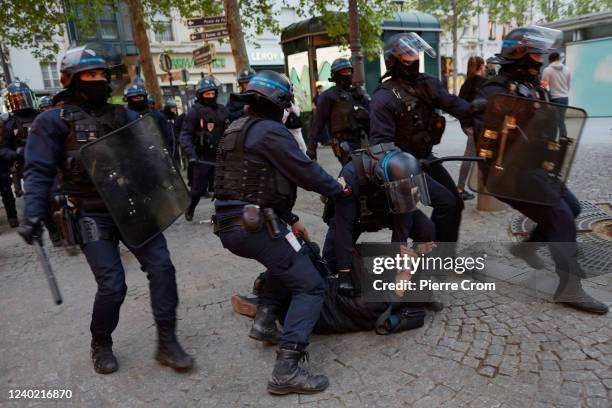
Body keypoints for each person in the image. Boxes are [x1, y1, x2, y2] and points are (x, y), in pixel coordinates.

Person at [17, 43, 195, 374]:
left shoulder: (124, 115)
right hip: (90, 212)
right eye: (89, 75)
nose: (97, 80)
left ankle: (168, 342)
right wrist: (32, 213)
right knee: (113, 284)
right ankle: (100, 342)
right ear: (71, 79)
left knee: (163, 268)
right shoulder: (52, 121)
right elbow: (38, 171)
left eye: (100, 74)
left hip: (133, 207)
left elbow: (149, 156)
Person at [213, 70, 350, 395]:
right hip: (254, 226)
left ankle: (265, 320)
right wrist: (338, 189)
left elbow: (258, 183)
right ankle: (286, 369)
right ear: (279, 103)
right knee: (311, 285)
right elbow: (304, 170)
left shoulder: (235, 128)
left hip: (235, 223)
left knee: (295, 255)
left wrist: (291, 218)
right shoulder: (271, 132)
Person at [476, 26, 608, 314]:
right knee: (560, 216)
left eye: (541, 53)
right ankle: (569, 288)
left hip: (533, 167)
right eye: (535, 53)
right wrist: (491, 113)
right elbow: (483, 129)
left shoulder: (533, 84)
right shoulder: (495, 89)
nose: (540, 59)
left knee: (571, 208)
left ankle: (527, 247)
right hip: (508, 173)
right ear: (518, 54)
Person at [369, 32, 475, 245]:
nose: (414, 57)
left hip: (426, 158)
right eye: (407, 53)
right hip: (402, 168)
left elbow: (452, 103)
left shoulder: (428, 84)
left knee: (455, 202)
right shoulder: (384, 97)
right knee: (446, 203)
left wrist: (479, 109)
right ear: (393, 60)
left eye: (415, 52)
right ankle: (433, 252)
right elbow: (381, 146)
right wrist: (404, 166)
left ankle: (441, 253)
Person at [322, 143, 436, 296]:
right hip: (357, 215)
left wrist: (398, 262)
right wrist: (344, 274)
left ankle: (418, 283)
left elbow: (404, 219)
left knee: (426, 228)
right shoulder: (350, 175)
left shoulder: (406, 172)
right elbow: (344, 227)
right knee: (330, 260)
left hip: (389, 209)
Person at [180, 76, 229, 221]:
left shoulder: (222, 110)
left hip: (220, 157)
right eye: (207, 94)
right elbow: (185, 135)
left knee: (222, 188)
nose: (210, 96)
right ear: (200, 95)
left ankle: (222, 213)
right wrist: (191, 155)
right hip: (202, 159)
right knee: (197, 190)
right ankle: (191, 207)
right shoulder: (195, 112)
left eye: (212, 93)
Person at [306, 58, 370, 164]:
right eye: (343, 71)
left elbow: (372, 117)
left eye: (349, 71)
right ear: (335, 74)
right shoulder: (328, 96)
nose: (347, 74)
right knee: (353, 170)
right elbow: (317, 123)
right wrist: (311, 149)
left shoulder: (357, 94)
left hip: (362, 140)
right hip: (343, 142)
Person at [0, 82, 39, 228]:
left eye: (23, 97)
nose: (21, 101)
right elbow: (3, 148)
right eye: (17, 98)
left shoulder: (42, 117)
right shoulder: (9, 124)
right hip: (24, 165)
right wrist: (17, 153)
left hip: (49, 160)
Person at [456, 56, 486, 200]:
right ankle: (460, 189)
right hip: (479, 127)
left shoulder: (466, 84)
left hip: (470, 127)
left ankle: (479, 187)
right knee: (471, 156)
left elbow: (459, 106)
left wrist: (466, 126)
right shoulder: (484, 84)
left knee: (474, 155)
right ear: (482, 67)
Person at [123, 81, 173, 146]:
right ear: (129, 99)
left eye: (140, 97)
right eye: (135, 98)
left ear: (145, 97)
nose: (139, 99)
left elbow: (167, 135)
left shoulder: (157, 115)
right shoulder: (124, 115)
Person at [542, 52, 571, 138]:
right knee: (561, 120)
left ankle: (552, 142)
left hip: (554, 99)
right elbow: (568, 85)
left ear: (550, 60)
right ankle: (563, 140)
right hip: (565, 98)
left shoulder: (547, 70)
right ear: (558, 59)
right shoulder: (567, 69)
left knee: (552, 121)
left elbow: (545, 86)